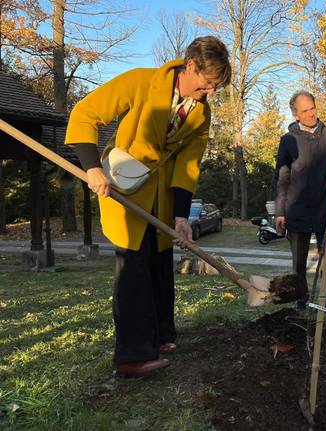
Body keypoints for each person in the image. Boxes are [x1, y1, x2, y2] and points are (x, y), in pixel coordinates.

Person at [65, 36, 231, 377]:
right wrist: (92, 167)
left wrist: (182, 215)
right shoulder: (141, 81)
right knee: (134, 267)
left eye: (215, 87)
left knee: (159, 262)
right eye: (207, 83)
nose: (210, 92)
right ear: (190, 67)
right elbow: (85, 113)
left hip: (163, 195)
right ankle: (133, 356)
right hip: (123, 186)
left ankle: (160, 335)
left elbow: (188, 164)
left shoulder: (201, 112)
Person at [274, 91, 326, 313]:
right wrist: (280, 211)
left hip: (325, 207)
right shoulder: (288, 140)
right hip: (296, 209)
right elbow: (281, 177)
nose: (311, 114)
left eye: (312, 108)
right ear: (296, 115)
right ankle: (301, 298)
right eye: (305, 111)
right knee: (299, 261)